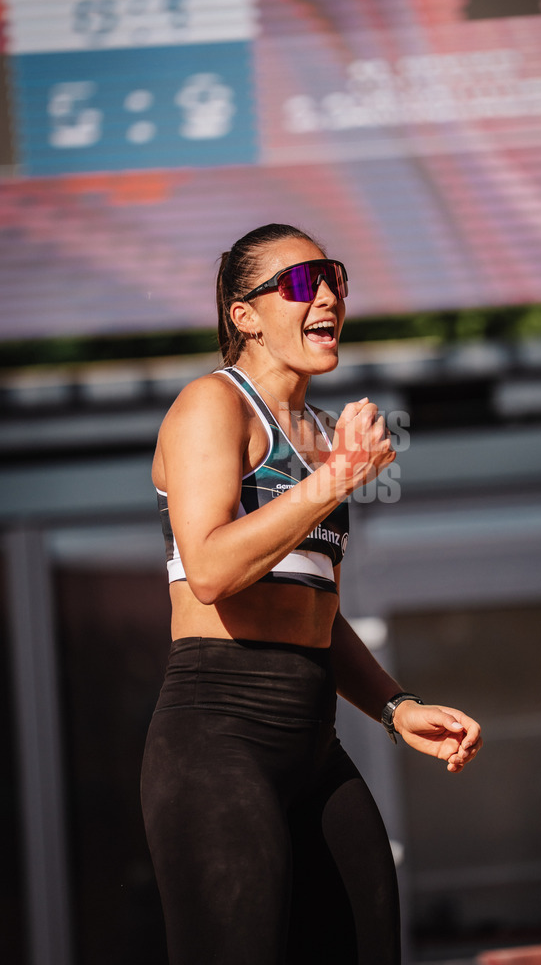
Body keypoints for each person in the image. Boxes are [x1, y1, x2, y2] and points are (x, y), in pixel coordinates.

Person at [140, 223, 482, 965]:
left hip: (313, 742)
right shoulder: (212, 405)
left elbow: (316, 609)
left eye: (334, 278)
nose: (326, 295)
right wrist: (334, 479)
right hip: (217, 739)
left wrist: (397, 706)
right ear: (244, 315)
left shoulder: (324, 434)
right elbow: (210, 570)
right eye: (300, 283)